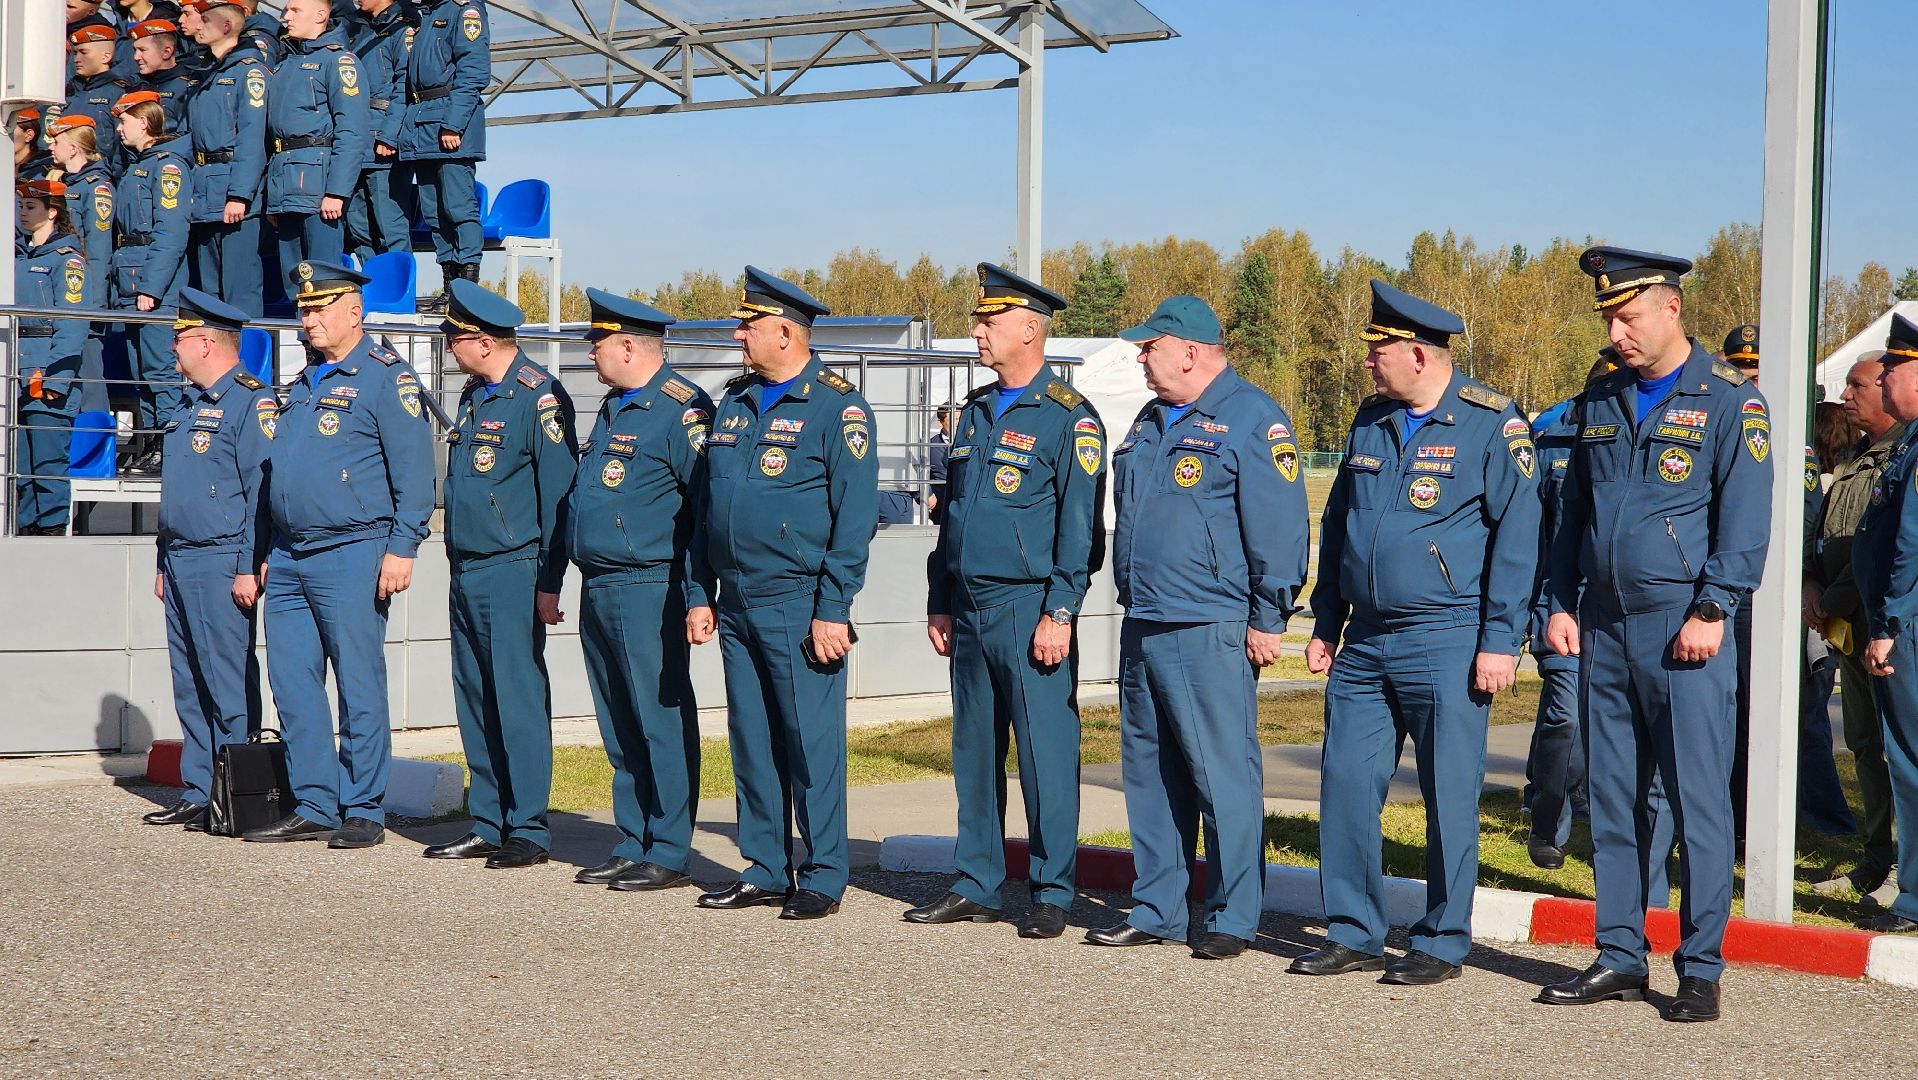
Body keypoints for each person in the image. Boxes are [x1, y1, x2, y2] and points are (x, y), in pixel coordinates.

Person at [1539, 247, 1773, 1022]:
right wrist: (1560, 601)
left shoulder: (1732, 401)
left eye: (1629, 315)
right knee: (1613, 801)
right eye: (1609, 316)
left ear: (1671, 309)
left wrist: (1712, 612)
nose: (1617, 330)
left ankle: (1700, 968)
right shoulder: (1601, 396)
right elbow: (1574, 512)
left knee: (1696, 801)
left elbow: (1743, 524)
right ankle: (1619, 953)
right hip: (1603, 624)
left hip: (1685, 630)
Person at [1291, 281, 1537, 984]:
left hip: (1449, 637)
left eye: (1380, 352)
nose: (1369, 363)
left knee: (1449, 794)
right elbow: (1340, 525)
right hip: (1365, 641)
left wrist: (1501, 640)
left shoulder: (1492, 424)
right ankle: (1352, 930)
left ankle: (1441, 940)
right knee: (1344, 782)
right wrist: (1327, 621)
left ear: (1419, 356)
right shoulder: (1371, 421)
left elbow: (1519, 539)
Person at [1083, 295, 1308, 960]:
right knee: (1150, 774)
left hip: (1209, 622)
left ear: (1189, 350)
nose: (1140, 358)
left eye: (1148, 347)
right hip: (1146, 617)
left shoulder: (1250, 418)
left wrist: (1269, 616)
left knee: (1220, 777)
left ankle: (1234, 916)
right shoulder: (1151, 420)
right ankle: (1157, 906)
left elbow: (1280, 528)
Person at [909, 264, 1103, 940]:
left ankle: (1052, 892)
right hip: (968, 609)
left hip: (1030, 613)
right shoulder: (974, 412)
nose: (976, 331)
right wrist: (939, 596)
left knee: (1046, 756)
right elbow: (954, 516)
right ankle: (977, 882)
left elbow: (1080, 527)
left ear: (1029, 328)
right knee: (974, 752)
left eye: (988, 321)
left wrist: (1061, 611)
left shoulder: (1069, 420)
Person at [691, 267, 879, 921]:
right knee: (752, 738)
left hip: (799, 602)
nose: (739, 334)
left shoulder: (837, 407)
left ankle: (823, 874)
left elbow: (854, 519)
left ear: (784, 331)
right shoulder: (735, 403)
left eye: (748, 324)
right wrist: (699, 589)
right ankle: (766, 867)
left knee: (810, 742)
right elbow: (705, 508)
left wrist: (834, 607)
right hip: (736, 600)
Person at [242, 260, 434, 849]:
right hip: (292, 555)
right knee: (293, 684)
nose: (308, 317)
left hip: (354, 551)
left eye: (320, 307)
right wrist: (267, 550)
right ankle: (315, 803)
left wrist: (402, 548)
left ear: (354, 312)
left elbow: (417, 475)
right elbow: (280, 477)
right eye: (303, 308)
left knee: (357, 682)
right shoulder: (304, 382)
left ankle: (364, 806)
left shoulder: (384, 377)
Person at [561, 289, 716, 893]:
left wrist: (697, 591)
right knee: (618, 719)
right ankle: (634, 838)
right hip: (599, 582)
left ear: (628, 345)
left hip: (650, 583)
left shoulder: (682, 411)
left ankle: (670, 847)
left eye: (598, 344)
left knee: (658, 717)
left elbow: (703, 507)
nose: (592, 355)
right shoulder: (613, 407)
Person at [421, 280, 577, 870]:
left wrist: (548, 581)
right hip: (467, 565)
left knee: (515, 697)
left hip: (514, 568)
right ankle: (489, 819)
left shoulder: (538, 397)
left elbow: (558, 497)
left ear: (482, 343)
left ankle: (528, 829)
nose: (450, 350)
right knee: (476, 696)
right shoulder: (477, 394)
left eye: (454, 340)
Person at [1522, 350, 1677, 890]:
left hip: (1633, 611)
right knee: (1565, 720)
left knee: (1643, 752)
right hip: (1564, 607)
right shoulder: (1555, 439)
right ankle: (1548, 821)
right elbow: (1534, 535)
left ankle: (1644, 880)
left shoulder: (1661, 431)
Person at [144, 287, 275, 828]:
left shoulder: (250, 403)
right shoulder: (187, 406)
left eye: (179, 340)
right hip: (179, 560)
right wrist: (160, 561)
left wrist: (248, 564)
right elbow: (175, 493)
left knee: (226, 681)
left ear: (205, 342)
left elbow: (259, 493)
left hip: (221, 560)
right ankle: (200, 788)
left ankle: (234, 789)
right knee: (189, 680)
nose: (172, 350)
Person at [1808, 355, 1904, 901]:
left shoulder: (1901, 457)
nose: (1847, 393)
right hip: (1847, 623)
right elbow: (1824, 530)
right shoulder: (1855, 457)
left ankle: (1901, 869)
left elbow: (1880, 547)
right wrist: (1808, 584)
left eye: (1859, 384)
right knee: (1866, 745)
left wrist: (1831, 598)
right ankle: (1875, 858)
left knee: (1897, 751)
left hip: (1881, 625)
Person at [1853, 320, 1918, 934]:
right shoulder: (1908, 442)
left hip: (1909, 626)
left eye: (1893, 369)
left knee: (1909, 757)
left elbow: (1911, 542)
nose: (1886, 379)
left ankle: (1916, 897)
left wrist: (1889, 622)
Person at [109, 89, 194, 474]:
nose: (119, 128)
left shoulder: (167, 165)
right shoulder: (136, 165)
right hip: (130, 279)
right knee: (140, 371)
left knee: (160, 370)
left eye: (124, 121)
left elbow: (171, 232)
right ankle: (149, 444)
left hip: (151, 286)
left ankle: (168, 443)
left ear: (144, 122)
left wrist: (152, 288)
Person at [1795, 402, 1862, 838]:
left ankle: (1829, 822)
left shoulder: (1804, 462)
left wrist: (1818, 594)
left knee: (1807, 720)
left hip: (1812, 612)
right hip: (1817, 606)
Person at [265, 0, 370, 272]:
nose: (286, 16)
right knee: (293, 280)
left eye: (295, 10)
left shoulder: (338, 61)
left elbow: (351, 131)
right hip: (284, 186)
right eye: (286, 10)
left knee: (322, 278)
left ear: (320, 15)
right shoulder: (284, 64)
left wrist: (336, 191)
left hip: (318, 187)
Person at [12, 180, 90, 536]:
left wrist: (58, 380)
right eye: (21, 207)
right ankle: (26, 532)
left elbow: (72, 326)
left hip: (46, 373)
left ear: (52, 212)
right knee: (21, 471)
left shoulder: (67, 262)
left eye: (31, 208)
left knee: (47, 467)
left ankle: (53, 534)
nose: (23, 214)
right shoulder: (17, 254)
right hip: (15, 370)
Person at [402, 0, 490, 311]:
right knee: (435, 213)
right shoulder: (426, 15)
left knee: (457, 208)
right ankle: (450, 287)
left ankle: (466, 289)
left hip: (448, 126)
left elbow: (473, 73)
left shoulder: (464, 11)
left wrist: (453, 123)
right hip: (422, 127)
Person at [182, 0, 269, 317]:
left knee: (239, 291)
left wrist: (239, 194)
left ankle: (247, 363)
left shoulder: (250, 73)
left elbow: (252, 139)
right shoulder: (204, 73)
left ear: (227, 26)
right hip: (204, 191)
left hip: (232, 191)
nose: (198, 24)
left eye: (205, 19)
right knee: (210, 294)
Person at [44, 114, 116, 416]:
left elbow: (99, 251)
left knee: (89, 380)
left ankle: (96, 447)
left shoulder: (96, 187)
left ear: (73, 148)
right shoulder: (61, 182)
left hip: (84, 296)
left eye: (57, 142)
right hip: (59, 292)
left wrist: (93, 306)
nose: (50, 147)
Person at [344, 0, 415, 268]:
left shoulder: (402, 32)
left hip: (382, 142)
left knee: (391, 228)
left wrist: (389, 134)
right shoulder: (359, 33)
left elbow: (404, 87)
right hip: (355, 143)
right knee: (359, 229)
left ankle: (397, 297)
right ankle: (372, 292)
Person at [60, 22, 138, 170]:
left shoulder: (118, 93)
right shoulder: (68, 91)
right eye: (75, 53)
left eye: (84, 52)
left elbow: (122, 147)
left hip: (102, 175)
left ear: (106, 56)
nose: (76, 59)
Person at [127, 19, 198, 137]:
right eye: (135, 50)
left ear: (166, 51)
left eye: (142, 50)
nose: (136, 57)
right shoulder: (134, 86)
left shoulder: (187, 87)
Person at [926, 402, 953, 519]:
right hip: (940, 503)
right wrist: (928, 494)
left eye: (960, 419)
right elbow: (920, 472)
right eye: (953, 419)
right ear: (941, 422)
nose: (958, 423)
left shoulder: (972, 442)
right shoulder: (930, 445)